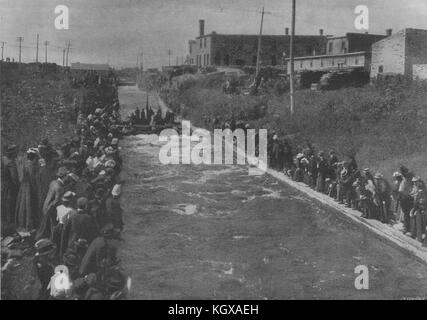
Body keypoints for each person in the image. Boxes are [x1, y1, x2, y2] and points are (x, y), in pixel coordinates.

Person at [36, 167, 68, 241]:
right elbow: (56, 201)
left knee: (45, 225)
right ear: (64, 177)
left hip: (46, 204)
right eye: (67, 176)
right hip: (51, 207)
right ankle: (52, 240)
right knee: (52, 225)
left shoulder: (53, 182)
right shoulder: (59, 187)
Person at [15, 148, 40, 230]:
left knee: (23, 204)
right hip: (29, 187)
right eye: (36, 157)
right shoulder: (31, 166)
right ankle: (29, 224)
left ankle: (22, 223)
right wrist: (36, 188)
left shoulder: (25, 164)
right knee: (29, 204)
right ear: (34, 157)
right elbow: (32, 179)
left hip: (23, 186)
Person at [1, 145, 20, 225]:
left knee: (3, 203)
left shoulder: (2, 159)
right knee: (10, 204)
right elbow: (14, 177)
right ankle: (10, 223)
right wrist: (18, 185)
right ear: (12, 154)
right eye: (15, 153)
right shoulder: (10, 162)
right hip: (10, 185)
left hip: (2, 184)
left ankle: (4, 221)